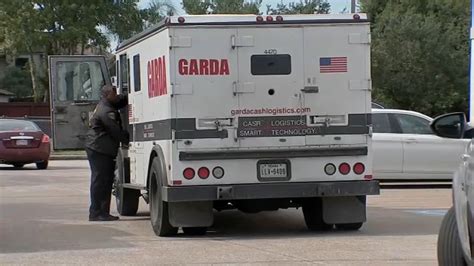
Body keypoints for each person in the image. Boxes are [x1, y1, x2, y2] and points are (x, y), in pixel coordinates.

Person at [86, 85, 129, 221]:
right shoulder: (106, 111)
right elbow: (114, 130)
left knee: (104, 180)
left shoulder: (105, 104)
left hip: (100, 148)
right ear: (107, 95)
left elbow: (120, 101)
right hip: (99, 149)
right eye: (114, 93)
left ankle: (101, 212)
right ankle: (97, 212)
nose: (116, 96)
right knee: (101, 181)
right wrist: (128, 138)